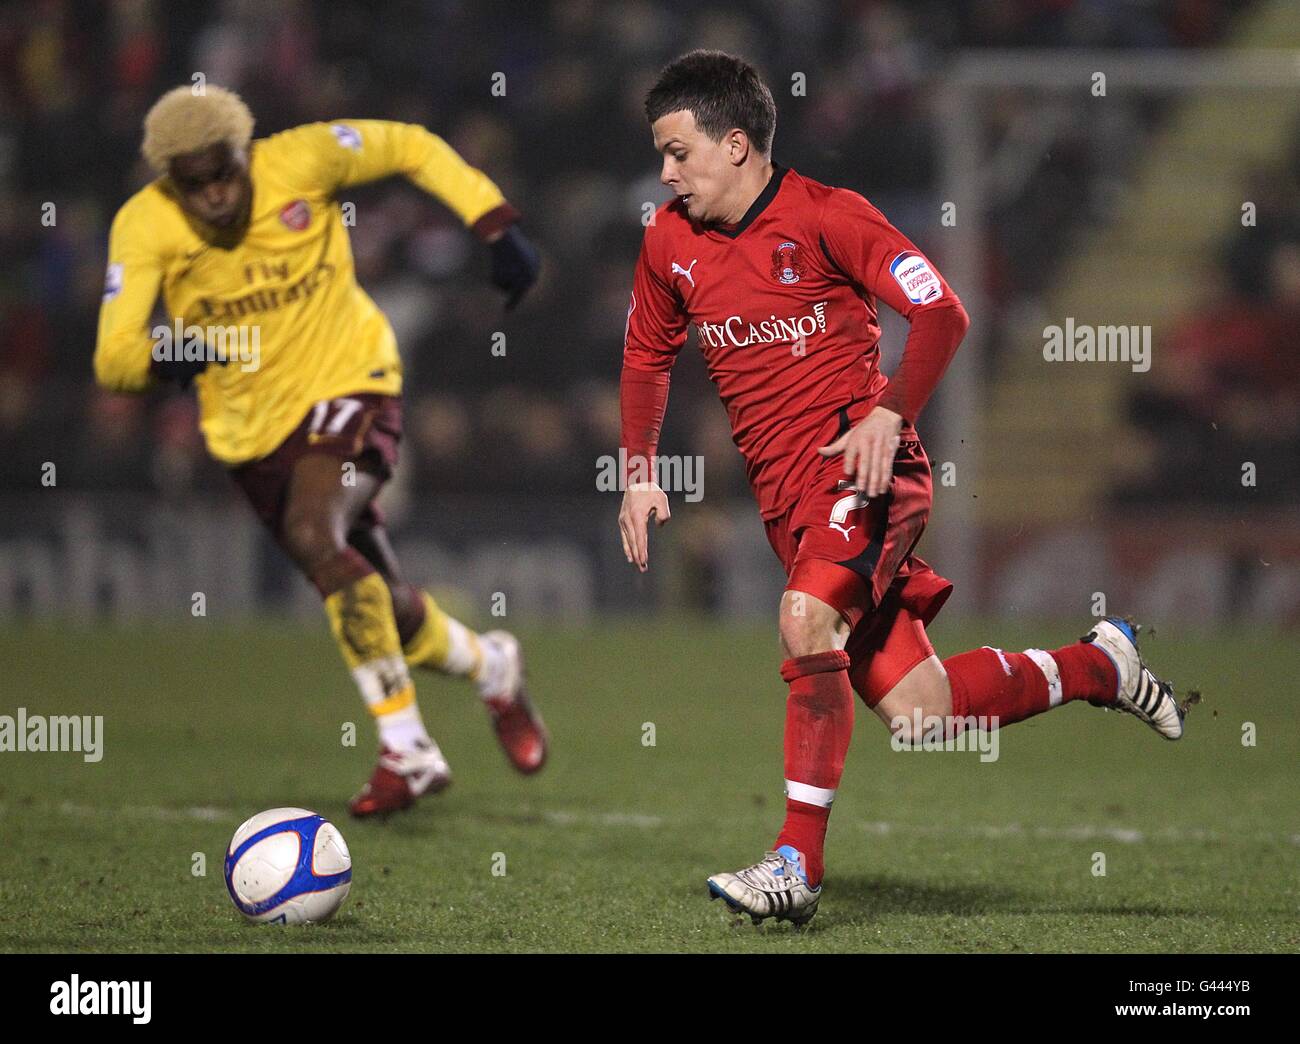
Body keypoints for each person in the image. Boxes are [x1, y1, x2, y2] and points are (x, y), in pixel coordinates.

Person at [617, 51, 1186, 926]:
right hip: (788, 507)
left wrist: (889, 412)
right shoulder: (669, 242)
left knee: (805, 621)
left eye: (677, 151)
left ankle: (794, 867)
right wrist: (640, 472)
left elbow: (942, 311)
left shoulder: (830, 219)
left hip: (864, 473)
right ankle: (1099, 666)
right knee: (923, 713)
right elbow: (646, 356)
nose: (665, 173)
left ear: (736, 145)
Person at [94, 85, 548, 817]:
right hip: (250, 436)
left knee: (315, 532)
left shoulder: (302, 159)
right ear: (168, 181)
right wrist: (168, 354)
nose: (213, 195)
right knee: (384, 607)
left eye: (224, 174)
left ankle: (407, 749)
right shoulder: (143, 225)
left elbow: (411, 143)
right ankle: (493, 665)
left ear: (246, 154)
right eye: (194, 184)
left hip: (352, 382)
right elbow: (113, 357)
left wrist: (492, 222)